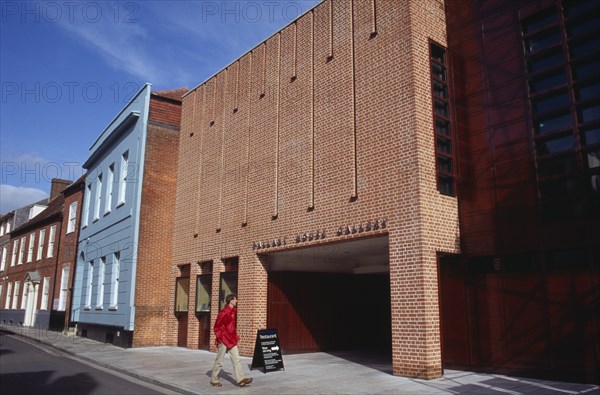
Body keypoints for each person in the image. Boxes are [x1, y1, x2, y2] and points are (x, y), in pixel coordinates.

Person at [210, 294, 253, 387]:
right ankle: (214, 379)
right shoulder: (223, 312)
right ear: (231, 301)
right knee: (219, 360)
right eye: (235, 299)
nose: (237, 301)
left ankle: (241, 379)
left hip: (232, 339)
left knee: (236, 359)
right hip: (224, 339)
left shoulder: (232, 311)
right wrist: (221, 338)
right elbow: (216, 327)